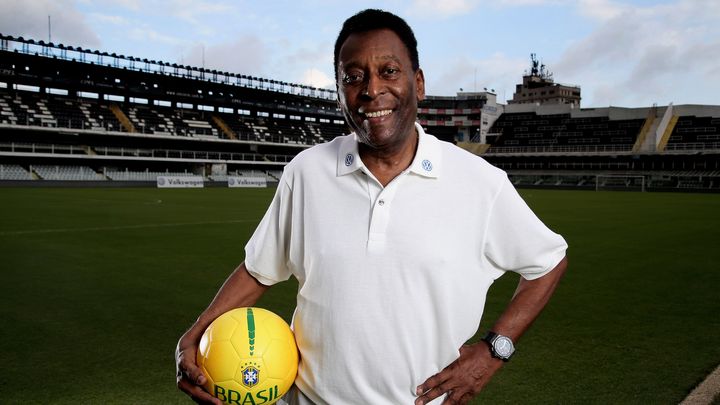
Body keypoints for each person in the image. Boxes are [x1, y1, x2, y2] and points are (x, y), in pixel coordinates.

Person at [176, 9, 568, 405]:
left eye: (389, 71)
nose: (371, 89)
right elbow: (258, 270)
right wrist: (196, 334)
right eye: (353, 77)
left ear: (418, 82)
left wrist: (492, 351)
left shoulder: (480, 183)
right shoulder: (307, 171)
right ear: (340, 92)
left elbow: (549, 261)